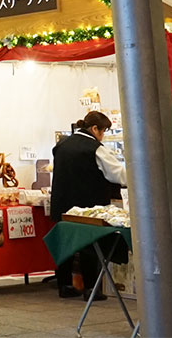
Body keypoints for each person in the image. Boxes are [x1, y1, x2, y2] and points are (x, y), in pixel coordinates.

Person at [50, 110, 127, 300]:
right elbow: (117, 174)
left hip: (62, 204)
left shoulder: (61, 145)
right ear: (94, 129)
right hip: (88, 204)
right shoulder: (95, 148)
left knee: (66, 243)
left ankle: (65, 285)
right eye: (103, 131)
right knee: (90, 244)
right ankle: (91, 288)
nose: (103, 136)